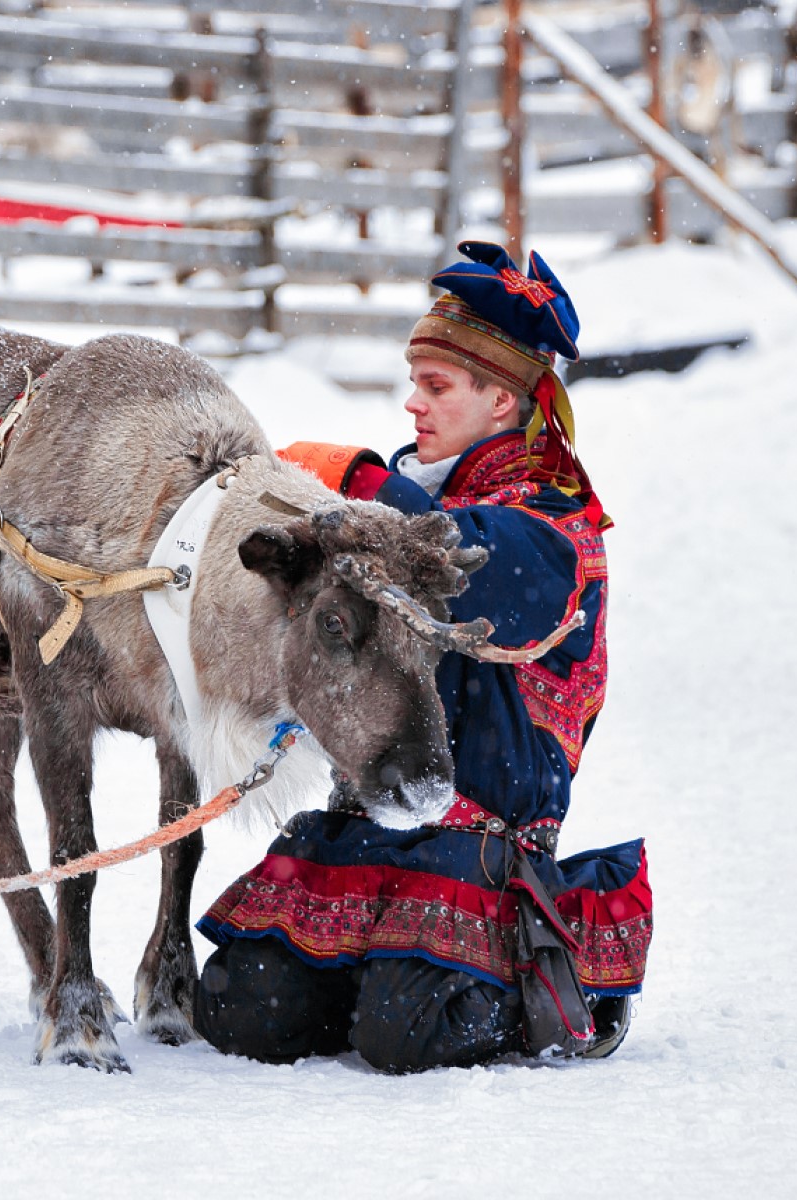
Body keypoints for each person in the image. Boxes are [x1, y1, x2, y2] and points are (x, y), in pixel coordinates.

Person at [192, 242, 652, 1072]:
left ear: (504, 401)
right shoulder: (397, 510)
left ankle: (567, 975)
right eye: (414, 381)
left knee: (407, 1035)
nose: (412, 405)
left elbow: (452, 555)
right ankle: (369, 972)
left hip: (481, 849)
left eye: (436, 386)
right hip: (372, 819)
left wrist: (355, 481)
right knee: (240, 1012)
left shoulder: (553, 529)